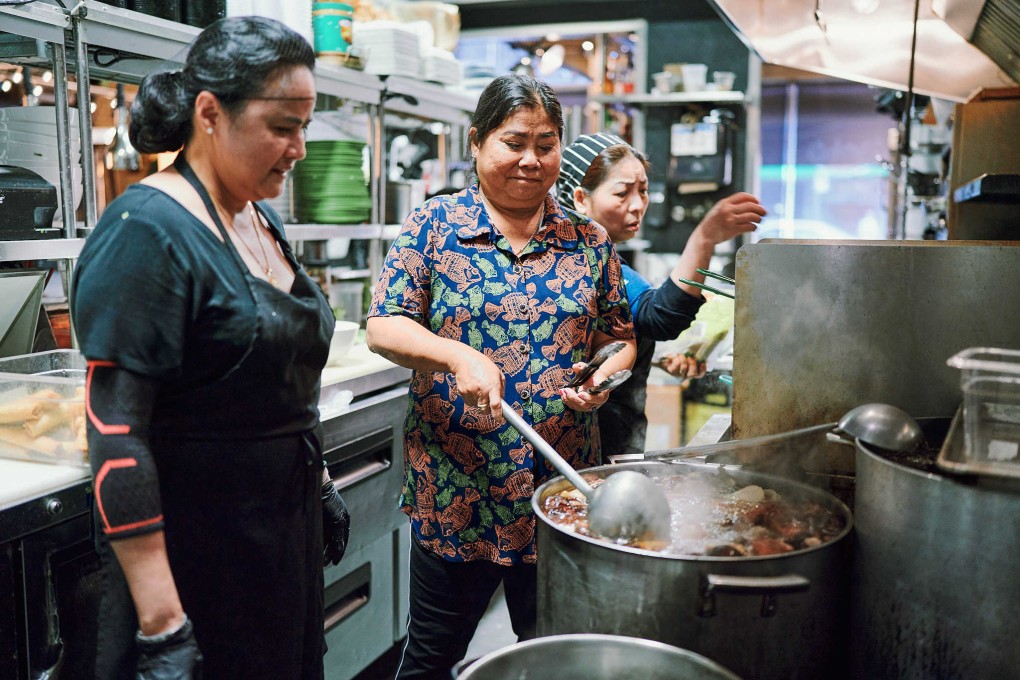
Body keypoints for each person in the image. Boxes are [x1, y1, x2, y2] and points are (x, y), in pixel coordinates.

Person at [71, 17, 349, 680]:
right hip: (200, 559)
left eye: (305, 126)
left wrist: (319, 479)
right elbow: (116, 435)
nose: (299, 149)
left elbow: (277, 383)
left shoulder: (262, 216)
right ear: (209, 114)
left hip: (278, 540)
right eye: (282, 128)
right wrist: (165, 628)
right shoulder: (147, 231)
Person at [365, 74, 636, 680]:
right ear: (477, 142)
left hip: (558, 495)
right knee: (433, 657)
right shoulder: (434, 228)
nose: (531, 160)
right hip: (458, 493)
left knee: (556, 661)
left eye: (546, 144)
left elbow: (619, 340)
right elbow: (384, 327)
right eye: (514, 142)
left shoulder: (587, 240)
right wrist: (455, 356)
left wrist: (603, 381)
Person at [558, 132, 766, 456]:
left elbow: (606, 336)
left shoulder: (605, 261)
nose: (638, 205)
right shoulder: (582, 262)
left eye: (642, 190)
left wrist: (661, 357)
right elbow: (662, 315)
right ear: (581, 199)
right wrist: (704, 237)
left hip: (616, 439)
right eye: (622, 192)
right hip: (591, 449)